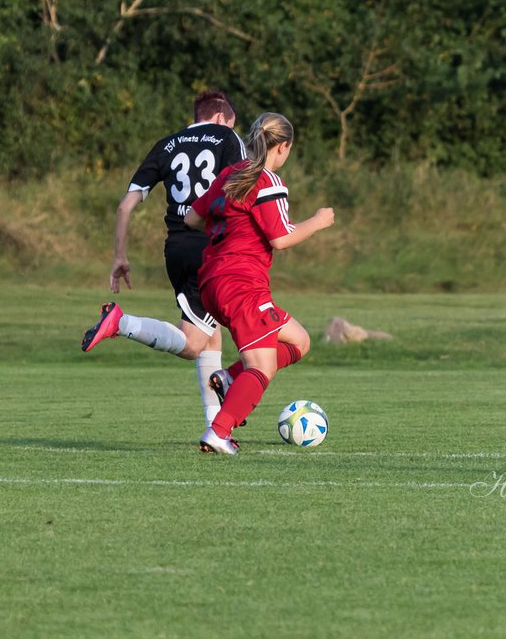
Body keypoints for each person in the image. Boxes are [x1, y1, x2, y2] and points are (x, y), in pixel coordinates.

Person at [81, 89, 245, 425]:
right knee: (191, 344)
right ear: (220, 117)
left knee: (211, 333)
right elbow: (239, 189)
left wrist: (119, 257)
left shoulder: (167, 144)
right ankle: (122, 323)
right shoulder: (228, 137)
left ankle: (218, 427)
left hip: (176, 249)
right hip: (211, 248)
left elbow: (125, 205)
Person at [183, 112, 334, 454]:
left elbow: (192, 217)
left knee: (299, 341)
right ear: (283, 147)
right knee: (262, 366)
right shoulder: (268, 182)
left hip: (212, 283)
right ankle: (219, 431)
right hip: (242, 285)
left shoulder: (229, 175)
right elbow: (281, 238)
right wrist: (318, 221)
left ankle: (230, 378)